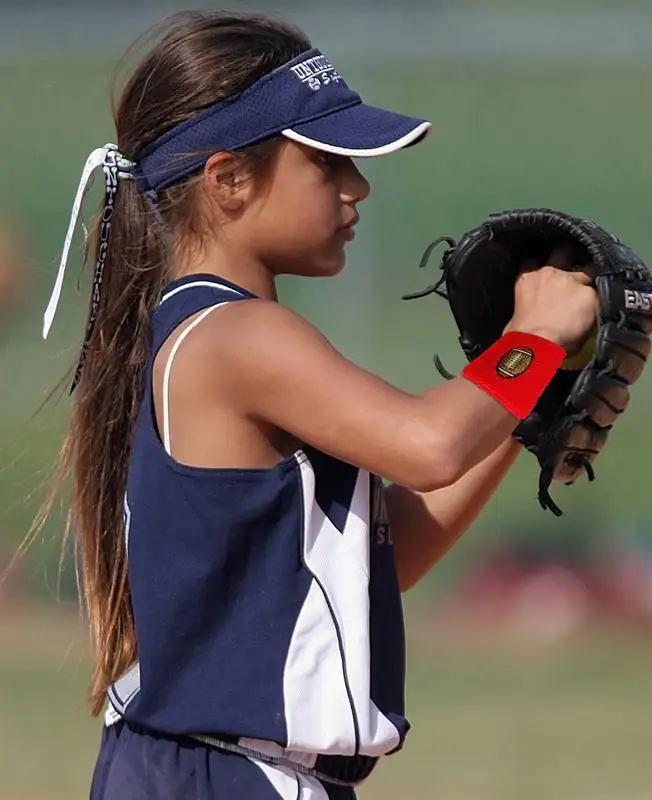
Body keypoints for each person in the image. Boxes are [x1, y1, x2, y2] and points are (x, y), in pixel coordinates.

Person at [37, 10, 597, 800]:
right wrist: (532, 337)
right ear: (228, 178)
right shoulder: (237, 336)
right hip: (221, 777)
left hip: (218, 773)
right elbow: (428, 445)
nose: (356, 186)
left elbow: (381, 556)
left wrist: (524, 397)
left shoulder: (209, 329)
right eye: (327, 162)